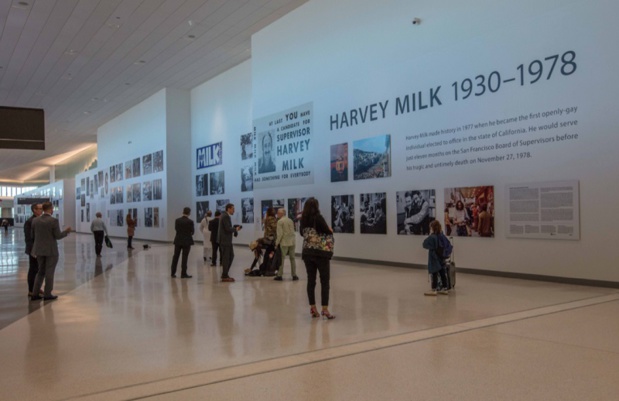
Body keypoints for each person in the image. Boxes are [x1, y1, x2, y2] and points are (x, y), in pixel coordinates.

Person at [300, 198, 335, 319]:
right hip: (321, 253)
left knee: (311, 281)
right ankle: (325, 309)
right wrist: (330, 229)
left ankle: (313, 308)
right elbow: (327, 231)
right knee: (324, 281)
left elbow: (301, 233)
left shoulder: (303, 220)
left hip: (307, 253)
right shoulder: (318, 218)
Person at [30, 202, 72, 301]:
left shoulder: (35, 220)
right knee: (49, 272)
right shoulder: (53, 221)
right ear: (50, 209)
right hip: (51, 251)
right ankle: (47, 294)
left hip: (39, 250)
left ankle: (35, 293)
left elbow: (32, 236)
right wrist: (67, 232)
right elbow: (58, 236)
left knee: (40, 272)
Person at [422, 220, 450, 296]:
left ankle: (434, 289)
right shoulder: (442, 236)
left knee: (434, 272)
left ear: (432, 228)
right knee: (442, 272)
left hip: (434, 257)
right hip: (442, 257)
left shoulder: (432, 237)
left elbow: (424, 244)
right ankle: (445, 288)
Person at [218, 203, 241, 282]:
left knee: (230, 256)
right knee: (226, 258)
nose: (234, 210)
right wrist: (236, 229)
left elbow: (227, 228)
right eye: (233, 209)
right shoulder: (225, 216)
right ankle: (224, 275)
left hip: (226, 240)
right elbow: (227, 229)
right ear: (228, 209)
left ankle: (225, 273)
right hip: (225, 241)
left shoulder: (225, 216)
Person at [24, 203, 43, 297]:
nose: (42, 210)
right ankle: (31, 290)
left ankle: (36, 288)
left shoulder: (38, 220)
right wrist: (33, 251)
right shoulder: (30, 221)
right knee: (33, 269)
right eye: (40, 208)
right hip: (34, 250)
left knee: (38, 270)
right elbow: (28, 238)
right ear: (34, 210)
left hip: (39, 249)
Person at [274, 208, 298, 281]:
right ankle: (294, 275)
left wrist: (276, 243)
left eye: (278, 212)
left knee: (282, 259)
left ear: (282, 214)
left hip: (284, 243)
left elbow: (280, 234)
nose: (277, 214)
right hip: (292, 242)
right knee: (292, 258)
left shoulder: (280, 222)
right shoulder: (290, 220)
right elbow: (292, 231)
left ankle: (279, 275)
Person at [170, 207, 194, 278]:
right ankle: (183, 273)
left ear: (183, 212)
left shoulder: (177, 220)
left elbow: (176, 229)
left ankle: (173, 272)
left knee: (175, 256)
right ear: (189, 213)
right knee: (185, 257)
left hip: (178, 240)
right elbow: (192, 231)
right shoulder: (190, 221)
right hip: (187, 241)